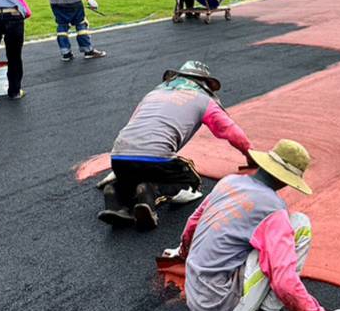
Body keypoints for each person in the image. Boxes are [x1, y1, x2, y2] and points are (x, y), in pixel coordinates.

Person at [160, 139, 340, 311]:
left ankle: (240, 309)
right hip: (222, 309)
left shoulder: (229, 182)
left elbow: (193, 224)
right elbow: (284, 280)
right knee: (300, 225)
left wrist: (182, 252)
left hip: (196, 296)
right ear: (288, 179)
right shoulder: (272, 210)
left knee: (248, 239)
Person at [97, 60, 252, 229]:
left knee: (132, 177)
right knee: (191, 181)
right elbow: (231, 131)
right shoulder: (203, 99)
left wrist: (117, 169)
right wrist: (249, 154)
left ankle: (114, 195)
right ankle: (151, 192)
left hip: (119, 156)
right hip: (157, 158)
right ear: (204, 83)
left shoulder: (152, 94)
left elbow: (135, 127)